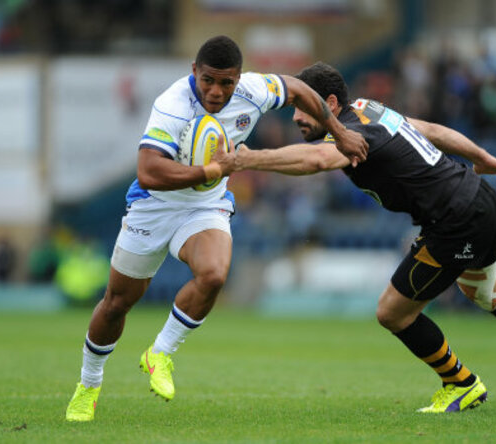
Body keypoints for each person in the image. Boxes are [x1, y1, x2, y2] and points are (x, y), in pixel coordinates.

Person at [233, 62, 496, 413]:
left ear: (329, 103)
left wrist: (250, 159)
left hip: (455, 219)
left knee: (392, 312)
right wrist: (481, 157)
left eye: (302, 107)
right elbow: (431, 130)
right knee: (483, 289)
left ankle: (460, 384)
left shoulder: (353, 131)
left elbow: (317, 161)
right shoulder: (368, 109)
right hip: (479, 198)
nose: (296, 117)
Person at [65, 38, 368, 422]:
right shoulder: (172, 106)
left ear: (238, 79)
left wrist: (338, 132)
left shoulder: (254, 90)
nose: (216, 91)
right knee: (117, 304)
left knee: (213, 274)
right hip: (153, 207)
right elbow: (149, 171)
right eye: (208, 80)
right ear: (194, 70)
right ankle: (88, 386)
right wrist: (210, 171)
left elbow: (298, 89)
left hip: (204, 205)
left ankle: (159, 353)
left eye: (226, 83)